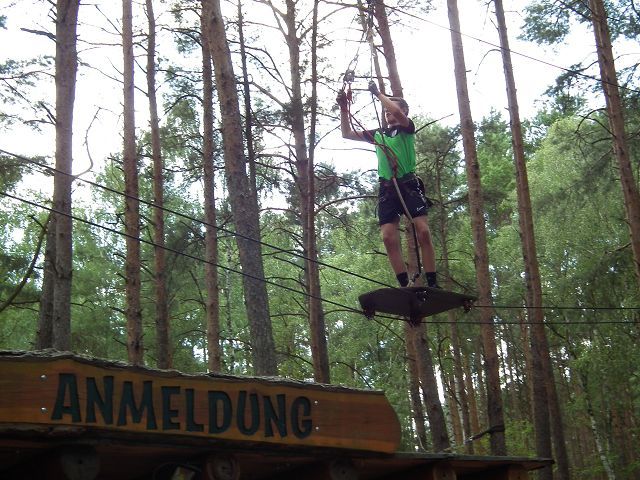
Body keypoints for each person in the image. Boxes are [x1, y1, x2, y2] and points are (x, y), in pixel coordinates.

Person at [337, 81, 439, 288]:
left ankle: (432, 281)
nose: (387, 113)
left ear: (405, 111)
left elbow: (397, 113)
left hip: (408, 185)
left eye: (390, 109)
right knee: (388, 237)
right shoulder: (378, 134)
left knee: (423, 231)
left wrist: (379, 94)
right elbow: (347, 133)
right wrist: (344, 108)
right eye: (385, 111)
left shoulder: (407, 128)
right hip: (387, 189)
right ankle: (404, 284)